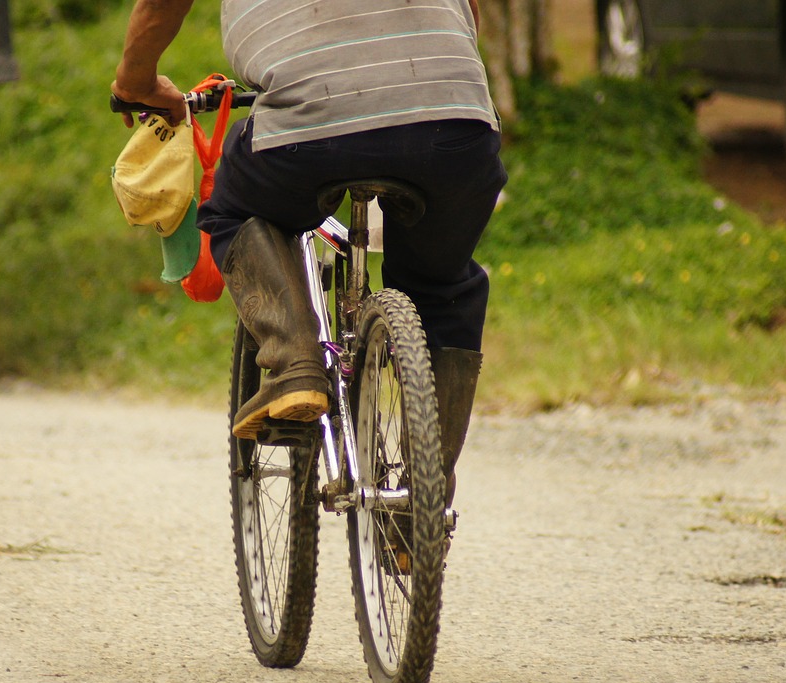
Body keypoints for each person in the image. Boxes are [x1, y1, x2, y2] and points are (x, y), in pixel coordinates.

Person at [113, 0, 507, 506]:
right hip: (455, 123)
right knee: (443, 287)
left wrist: (136, 83)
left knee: (232, 210)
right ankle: (424, 499)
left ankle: (295, 363)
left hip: (307, 131)